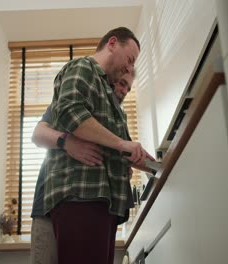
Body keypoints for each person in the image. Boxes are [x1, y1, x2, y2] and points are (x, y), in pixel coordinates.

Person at [45, 27, 154, 264]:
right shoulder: (84, 67)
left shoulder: (109, 95)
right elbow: (68, 111)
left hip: (103, 201)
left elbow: (127, 150)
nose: (129, 67)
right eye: (130, 59)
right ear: (112, 43)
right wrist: (120, 143)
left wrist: (160, 167)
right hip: (81, 194)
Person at [30, 72, 136, 264]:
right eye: (121, 83)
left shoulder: (112, 121)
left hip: (94, 207)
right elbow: (38, 134)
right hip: (49, 205)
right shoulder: (69, 105)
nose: (124, 91)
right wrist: (67, 142)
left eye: (128, 88)